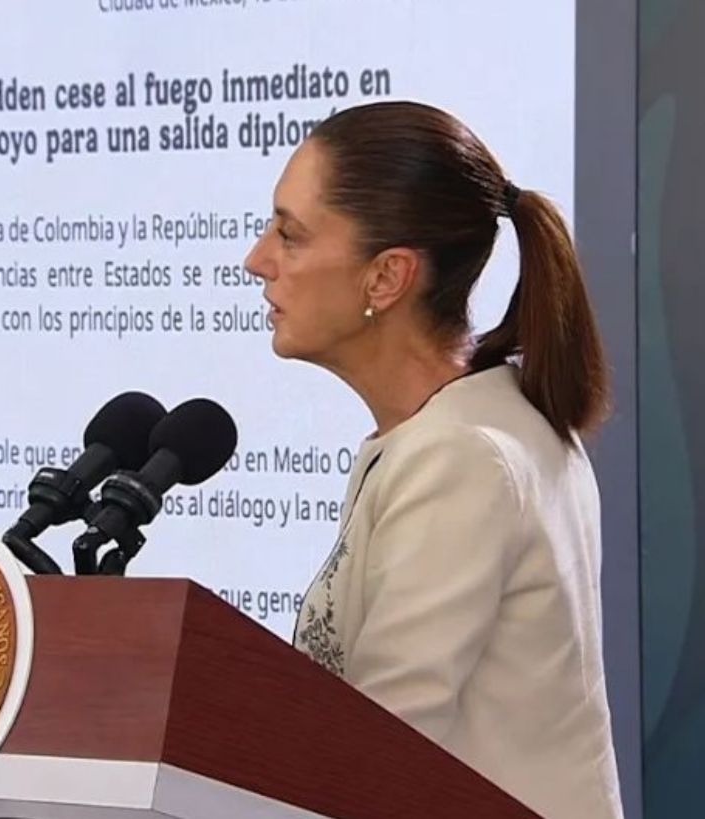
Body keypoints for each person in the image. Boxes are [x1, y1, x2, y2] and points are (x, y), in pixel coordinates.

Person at [242, 100, 624, 819]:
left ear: (386, 278)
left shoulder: (463, 457)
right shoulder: (477, 422)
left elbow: (380, 754)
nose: (256, 260)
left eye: (289, 235)